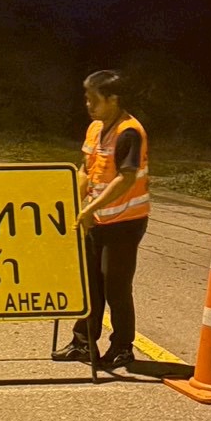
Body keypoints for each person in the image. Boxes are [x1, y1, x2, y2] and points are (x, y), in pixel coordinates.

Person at [54, 69, 151, 372]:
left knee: (115, 286)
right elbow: (86, 169)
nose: (88, 104)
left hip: (125, 221)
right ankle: (83, 342)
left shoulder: (129, 132)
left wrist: (89, 208)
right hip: (98, 219)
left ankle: (122, 347)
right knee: (89, 284)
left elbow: (126, 178)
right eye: (86, 98)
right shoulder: (96, 128)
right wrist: (70, 202)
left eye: (93, 99)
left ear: (113, 99)